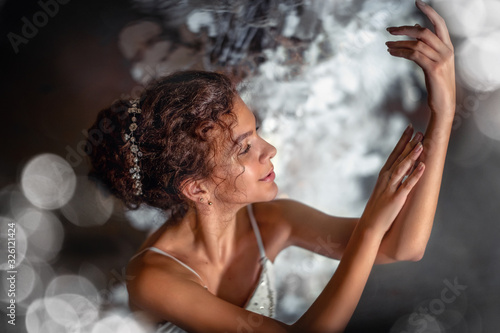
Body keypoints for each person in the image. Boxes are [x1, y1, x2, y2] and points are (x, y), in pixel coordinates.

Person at [86, 1, 455, 332]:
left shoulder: (271, 222)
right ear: (196, 188)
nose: (271, 150)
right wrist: (370, 227)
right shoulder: (154, 278)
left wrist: (444, 111)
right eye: (244, 148)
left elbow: (404, 247)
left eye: (257, 131)